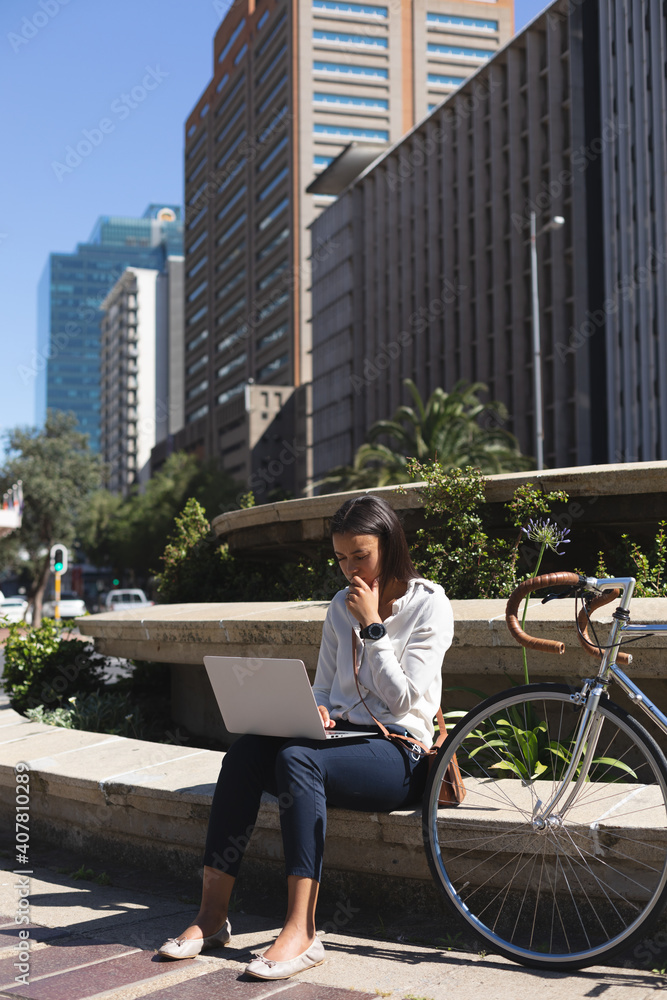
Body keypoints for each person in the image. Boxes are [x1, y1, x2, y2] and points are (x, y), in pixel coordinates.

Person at [158, 494, 454, 980]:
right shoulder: (340, 606)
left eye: (361, 555)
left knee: (298, 759)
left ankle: (302, 931)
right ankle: (211, 917)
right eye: (341, 557)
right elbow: (324, 685)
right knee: (247, 752)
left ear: (391, 544)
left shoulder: (430, 605)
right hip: (341, 744)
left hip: (401, 756)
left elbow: (405, 700)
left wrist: (374, 627)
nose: (350, 569)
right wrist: (316, 706)